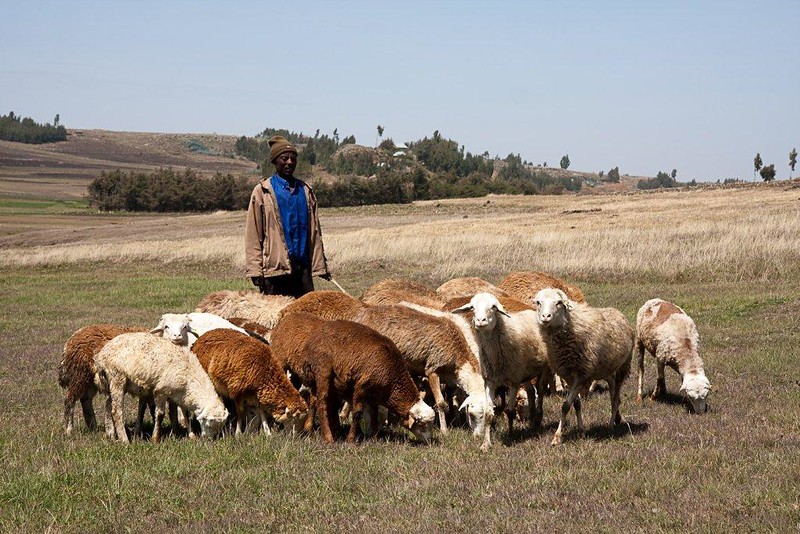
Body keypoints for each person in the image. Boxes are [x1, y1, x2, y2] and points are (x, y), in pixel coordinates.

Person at [245, 135, 330, 297]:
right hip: (276, 269)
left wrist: (320, 265)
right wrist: (255, 269)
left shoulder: (306, 191)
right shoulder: (263, 191)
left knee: (305, 317)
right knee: (276, 317)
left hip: (302, 268)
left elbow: (315, 233)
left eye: (293, 158)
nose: (289, 162)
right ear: (275, 161)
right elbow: (253, 233)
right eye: (284, 158)